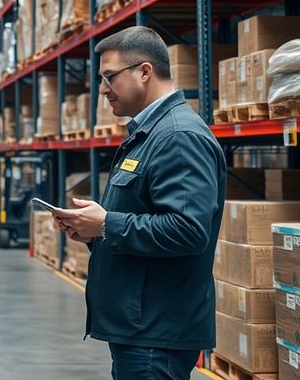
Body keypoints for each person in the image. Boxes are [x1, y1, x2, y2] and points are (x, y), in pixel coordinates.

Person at [53, 26, 226, 380]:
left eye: (109, 77)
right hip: (142, 327)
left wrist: (106, 224)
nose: (102, 89)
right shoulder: (151, 133)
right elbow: (146, 215)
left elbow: (188, 231)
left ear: (144, 72)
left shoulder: (178, 136)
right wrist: (94, 231)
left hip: (156, 332)